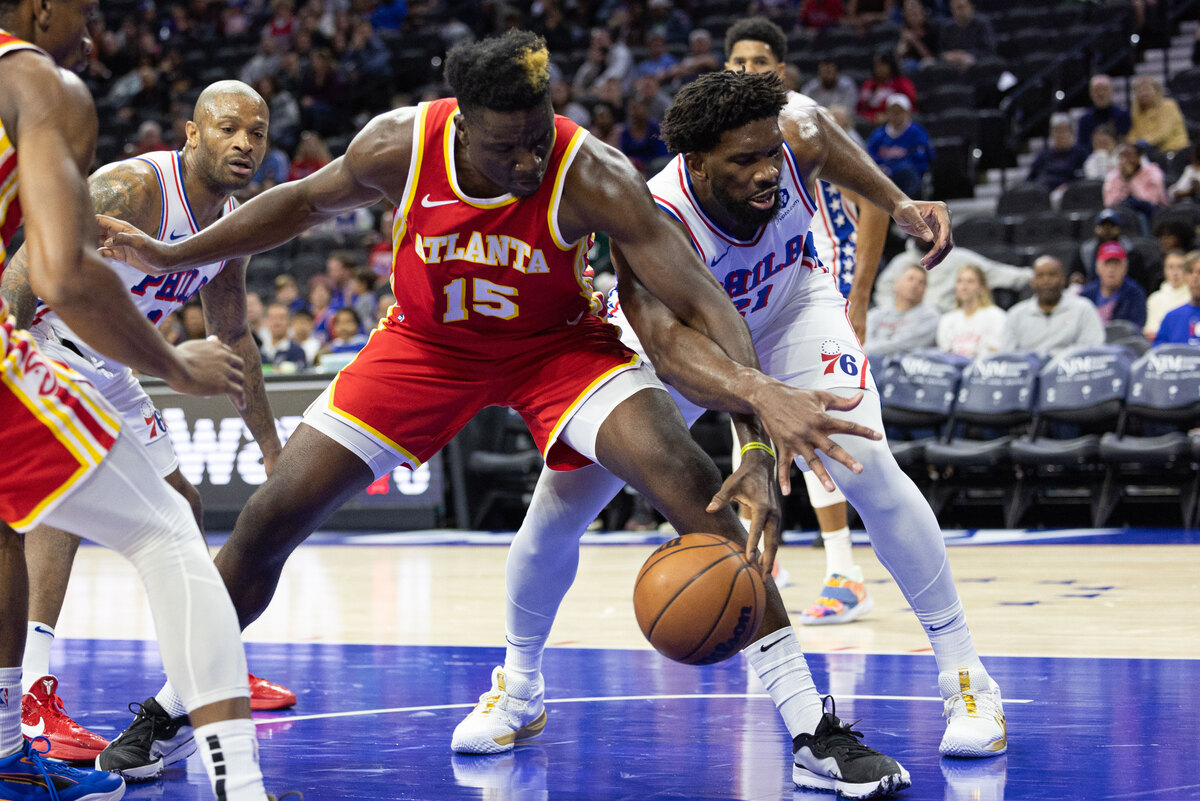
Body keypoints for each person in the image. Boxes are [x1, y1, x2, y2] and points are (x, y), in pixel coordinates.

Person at [97, 31, 896, 784]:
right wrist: (174, 255)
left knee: (695, 485)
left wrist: (752, 446)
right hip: (424, 347)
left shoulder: (593, 174)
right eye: (504, 146)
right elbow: (300, 203)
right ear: (461, 128)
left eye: (537, 138)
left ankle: (813, 729)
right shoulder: (400, 143)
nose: (526, 158)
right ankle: (171, 708)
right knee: (270, 519)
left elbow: (705, 302)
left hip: (558, 346)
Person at [450, 69, 1008, 797]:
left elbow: (827, 141)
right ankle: (519, 687)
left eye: (769, 153)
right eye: (743, 161)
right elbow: (679, 351)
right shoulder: (653, 215)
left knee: (869, 466)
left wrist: (896, 203)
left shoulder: (795, 133)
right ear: (698, 163)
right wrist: (757, 419)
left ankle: (966, 677)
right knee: (559, 506)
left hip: (792, 305)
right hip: (684, 349)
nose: (766, 171)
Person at [0, 9, 287, 801]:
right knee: (56, 503)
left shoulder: (230, 226)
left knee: (183, 514)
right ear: (190, 134)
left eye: (257, 134)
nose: (244, 144)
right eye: (228, 127)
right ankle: (38, 694)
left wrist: (268, 446)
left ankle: (203, 669)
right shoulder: (134, 183)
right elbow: (26, 273)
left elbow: (236, 341)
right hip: (52, 342)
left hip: (116, 364)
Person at [726, 16, 893, 626]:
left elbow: (877, 198)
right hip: (752, 299)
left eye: (760, 60)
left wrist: (861, 294)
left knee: (818, 432)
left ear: (781, 69)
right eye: (738, 60)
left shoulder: (807, 122)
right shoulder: (718, 134)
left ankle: (845, 572)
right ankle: (761, 563)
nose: (748, 69)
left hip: (812, 293)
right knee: (749, 431)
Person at [877, 236, 1032, 312]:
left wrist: (1034, 275)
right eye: (918, 227)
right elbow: (883, 291)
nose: (924, 232)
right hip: (907, 323)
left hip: (947, 322)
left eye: (930, 227)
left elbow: (997, 272)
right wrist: (897, 315)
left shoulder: (959, 258)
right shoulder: (901, 263)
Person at [1002, 256, 1105, 355]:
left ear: (1063, 279)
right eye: (1040, 276)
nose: (1046, 281)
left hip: (1071, 370)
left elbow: (1093, 351)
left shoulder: (1083, 308)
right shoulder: (1015, 315)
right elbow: (1008, 357)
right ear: (1032, 282)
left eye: (1052, 275)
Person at [866, 93, 933, 199]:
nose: (895, 115)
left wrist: (896, 169)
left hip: (907, 179)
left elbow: (923, 159)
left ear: (907, 113)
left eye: (899, 112)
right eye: (892, 112)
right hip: (883, 177)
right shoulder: (878, 135)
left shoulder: (916, 132)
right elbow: (869, 156)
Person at [867, 263, 940, 354]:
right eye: (910, 279)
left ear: (925, 289)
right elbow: (863, 338)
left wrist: (867, 350)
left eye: (921, 282)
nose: (915, 285)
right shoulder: (876, 314)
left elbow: (904, 345)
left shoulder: (930, 317)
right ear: (896, 283)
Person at [936, 264, 1007, 358]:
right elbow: (945, 355)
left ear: (982, 287)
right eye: (960, 281)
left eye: (970, 282)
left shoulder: (997, 316)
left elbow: (996, 352)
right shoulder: (947, 319)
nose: (964, 287)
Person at [1080, 242, 1148, 328]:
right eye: (1107, 264)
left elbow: (1135, 329)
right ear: (1097, 267)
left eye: (1116, 264)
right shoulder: (1086, 294)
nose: (1111, 270)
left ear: (1125, 268)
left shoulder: (1135, 294)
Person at [1104, 143, 1169, 234]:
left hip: (1152, 213)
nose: (1125, 160)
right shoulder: (1113, 176)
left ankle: (1146, 242)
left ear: (1139, 157)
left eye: (1129, 155)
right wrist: (1124, 179)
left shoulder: (1153, 172)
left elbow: (1150, 201)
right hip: (1124, 214)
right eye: (1122, 156)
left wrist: (1131, 178)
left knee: (1140, 215)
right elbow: (1110, 203)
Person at [1127, 75, 1190, 155]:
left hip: (1173, 151)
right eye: (1139, 90)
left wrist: (1144, 142)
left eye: (1147, 89)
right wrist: (1132, 143)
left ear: (1157, 91)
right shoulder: (1137, 112)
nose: (1143, 93)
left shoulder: (1168, 105)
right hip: (1149, 152)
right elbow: (1133, 134)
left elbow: (1163, 133)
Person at [1026, 113, 1088, 194]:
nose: (1060, 135)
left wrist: (1068, 187)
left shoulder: (1080, 154)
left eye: (1063, 131)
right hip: (1042, 194)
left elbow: (1083, 178)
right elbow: (1030, 179)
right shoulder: (1043, 155)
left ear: (1070, 133)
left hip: (1069, 195)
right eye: (1056, 131)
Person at [1153, 251, 1200, 345]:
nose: (1195, 277)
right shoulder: (1171, 317)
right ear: (1185, 276)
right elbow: (1158, 354)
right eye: (1190, 272)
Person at [857, 51, 917, 123]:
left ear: (890, 65)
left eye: (882, 65)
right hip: (869, 121)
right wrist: (872, 117)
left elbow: (910, 107)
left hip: (893, 121)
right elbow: (860, 109)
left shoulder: (902, 83)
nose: (878, 68)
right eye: (876, 65)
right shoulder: (869, 84)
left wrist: (888, 116)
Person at [1076, 75, 1131, 150]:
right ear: (1091, 94)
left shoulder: (1123, 116)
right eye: (1096, 90)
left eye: (1104, 89)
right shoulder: (1084, 120)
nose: (1100, 93)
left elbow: (1127, 143)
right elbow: (1082, 148)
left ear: (1111, 91)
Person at [1145, 249, 1190, 339]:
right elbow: (1150, 330)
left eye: (1180, 267)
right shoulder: (1154, 298)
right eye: (1170, 267)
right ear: (1164, 270)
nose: (1175, 272)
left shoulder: (1194, 298)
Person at [938, 0, 995, 68]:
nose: (957, 12)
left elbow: (989, 49)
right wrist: (947, 56)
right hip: (952, 65)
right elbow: (941, 51)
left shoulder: (982, 24)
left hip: (978, 62)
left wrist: (965, 54)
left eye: (960, 7)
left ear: (971, 7)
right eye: (953, 9)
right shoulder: (948, 27)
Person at [260, 301, 308, 368]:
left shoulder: (297, 352)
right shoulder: (258, 352)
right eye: (273, 318)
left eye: (281, 318)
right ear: (266, 322)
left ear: (289, 322)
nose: (277, 323)